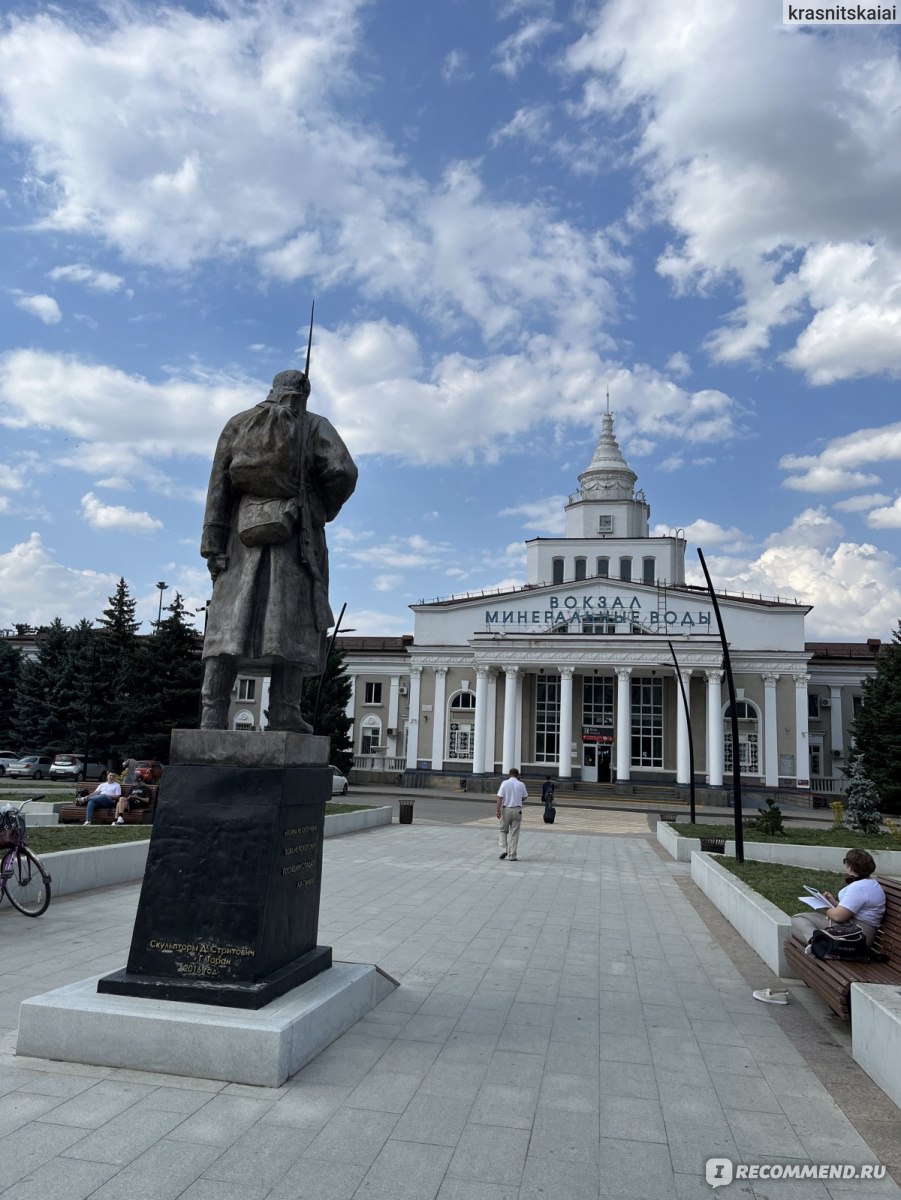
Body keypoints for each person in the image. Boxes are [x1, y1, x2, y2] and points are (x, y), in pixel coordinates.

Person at [199, 369, 358, 731]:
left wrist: (212, 543)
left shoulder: (239, 423)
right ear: (304, 393)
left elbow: (218, 486)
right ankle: (284, 710)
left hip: (240, 536)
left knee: (228, 626)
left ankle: (212, 710)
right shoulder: (314, 425)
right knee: (291, 623)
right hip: (295, 534)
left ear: (272, 389)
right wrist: (317, 506)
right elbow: (343, 470)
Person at [790, 848, 887, 951]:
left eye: (846, 862)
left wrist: (823, 905)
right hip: (854, 928)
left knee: (798, 919)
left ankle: (818, 945)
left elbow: (838, 917)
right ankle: (816, 942)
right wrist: (833, 902)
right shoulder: (869, 883)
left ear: (850, 866)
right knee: (799, 925)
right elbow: (850, 909)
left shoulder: (860, 887)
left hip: (857, 935)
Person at [497, 767, 528, 861]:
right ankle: (512, 855)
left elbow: (499, 798)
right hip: (517, 810)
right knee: (514, 833)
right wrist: (518, 798)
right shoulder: (521, 784)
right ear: (518, 775)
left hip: (506, 809)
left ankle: (503, 849)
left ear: (509, 774)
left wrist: (497, 811)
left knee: (503, 830)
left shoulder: (504, 783)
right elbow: (525, 797)